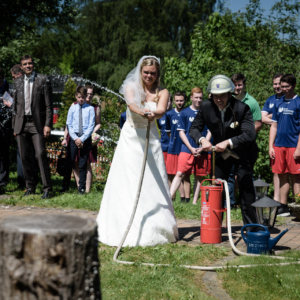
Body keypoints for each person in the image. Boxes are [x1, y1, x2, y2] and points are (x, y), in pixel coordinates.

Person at [97, 56, 178, 247]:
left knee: (153, 179)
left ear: (157, 74)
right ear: (140, 71)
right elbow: (132, 104)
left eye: (153, 73)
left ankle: (156, 224)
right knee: (128, 179)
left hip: (151, 140)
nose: (149, 75)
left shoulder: (162, 92)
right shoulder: (131, 87)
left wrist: (153, 114)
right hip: (131, 139)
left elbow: (161, 110)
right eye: (146, 72)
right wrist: (141, 111)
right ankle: (122, 223)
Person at [190, 75, 257, 226]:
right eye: (215, 96)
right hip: (221, 154)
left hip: (244, 152)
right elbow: (194, 128)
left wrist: (228, 142)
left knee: (246, 189)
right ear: (211, 95)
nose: (219, 100)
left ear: (230, 93)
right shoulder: (206, 107)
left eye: (222, 96)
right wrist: (203, 140)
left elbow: (250, 134)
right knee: (217, 187)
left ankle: (252, 228)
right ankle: (214, 227)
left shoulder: (242, 108)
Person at [12, 55, 53, 199]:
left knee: (40, 154)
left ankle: (47, 188)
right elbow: (15, 106)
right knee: (24, 156)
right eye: (25, 64)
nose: (28, 66)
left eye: (30, 63)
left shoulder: (43, 79)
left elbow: (49, 105)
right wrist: (14, 126)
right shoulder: (16, 82)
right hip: (21, 124)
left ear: (33, 65)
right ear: (21, 67)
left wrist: (48, 124)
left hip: (38, 124)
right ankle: (30, 186)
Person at [170, 87, 211, 204]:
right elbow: (181, 131)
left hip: (202, 149)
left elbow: (210, 131)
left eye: (200, 98)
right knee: (179, 173)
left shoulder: (206, 112)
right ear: (191, 97)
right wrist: (191, 148)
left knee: (199, 176)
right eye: (196, 97)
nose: (198, 100)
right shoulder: (184, 113)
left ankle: (194, 202)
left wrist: (203, 146)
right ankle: (169, 198)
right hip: (187, 148)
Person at [227, 73, 262, 207]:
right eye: (235, 85)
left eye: (239, 84)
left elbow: (258, 124)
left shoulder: (251, 102)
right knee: (229, 175)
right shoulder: (227, 100)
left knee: (246, 176)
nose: (237, 87)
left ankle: (248, 204)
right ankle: (229, 203)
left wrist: (244, 136)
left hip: (246, 146)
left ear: (244, 85)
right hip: (230, 145)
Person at [269, 74, 300, 216]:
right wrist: (271, 145)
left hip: (293, 145)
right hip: (279, 145)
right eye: (283, 87)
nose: (284, 89)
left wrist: (299, 148)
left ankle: (297, 206)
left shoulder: (298, 102)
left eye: (287, 87)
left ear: (293, 86)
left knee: (295, 177)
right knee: (281, 175)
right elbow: (274, 125)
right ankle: (283, 205)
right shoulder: (278, 103)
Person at [61, 85, 100, 193]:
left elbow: (91, 126)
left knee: (83, 164)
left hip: (85, 138)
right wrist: (75, 138)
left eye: (83, 97)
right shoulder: (73, 107)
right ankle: (65, 186)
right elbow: (69, 123)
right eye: (79, 97)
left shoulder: (90, 109)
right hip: (74, 137)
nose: (81, 99)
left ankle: (81, 188)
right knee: (70, 162)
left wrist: (82, 139)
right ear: (76, 97)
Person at [262, 73, 284, 203]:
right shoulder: (270, 100)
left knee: (289, 173)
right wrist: (276, 121)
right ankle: (276, 200)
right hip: (275, 140)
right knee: (276, 171)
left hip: (289, 141)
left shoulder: (289, 99)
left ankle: (286, 202)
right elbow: (261, 117)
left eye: (279, 83)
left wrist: (271, 118)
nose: (277, 86)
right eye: (275, 83)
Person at [165, 91, 189, 202]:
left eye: (181, 100)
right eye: (177, 100)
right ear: (174, 101)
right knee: (171, 174)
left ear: (185, 101)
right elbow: (169, 132)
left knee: (184, 175)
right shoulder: (169, 114)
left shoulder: (187, 113)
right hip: (173, 148)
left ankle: (185, 198)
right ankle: (172, 197)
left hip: (184, 148)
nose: (179, 103)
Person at [0, 68, 11, 194]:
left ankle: (2, 181)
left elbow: (12, 107)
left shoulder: (9, 88)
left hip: (5, 126)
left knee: (3, 154)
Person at [157, 94, 172, 165]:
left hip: (173, 147)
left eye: (168, 101)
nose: (166, 103)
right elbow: (160, 130)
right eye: (165, 101)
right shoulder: (159, 116)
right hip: (163, 147)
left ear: (172, 102)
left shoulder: (175, 114)